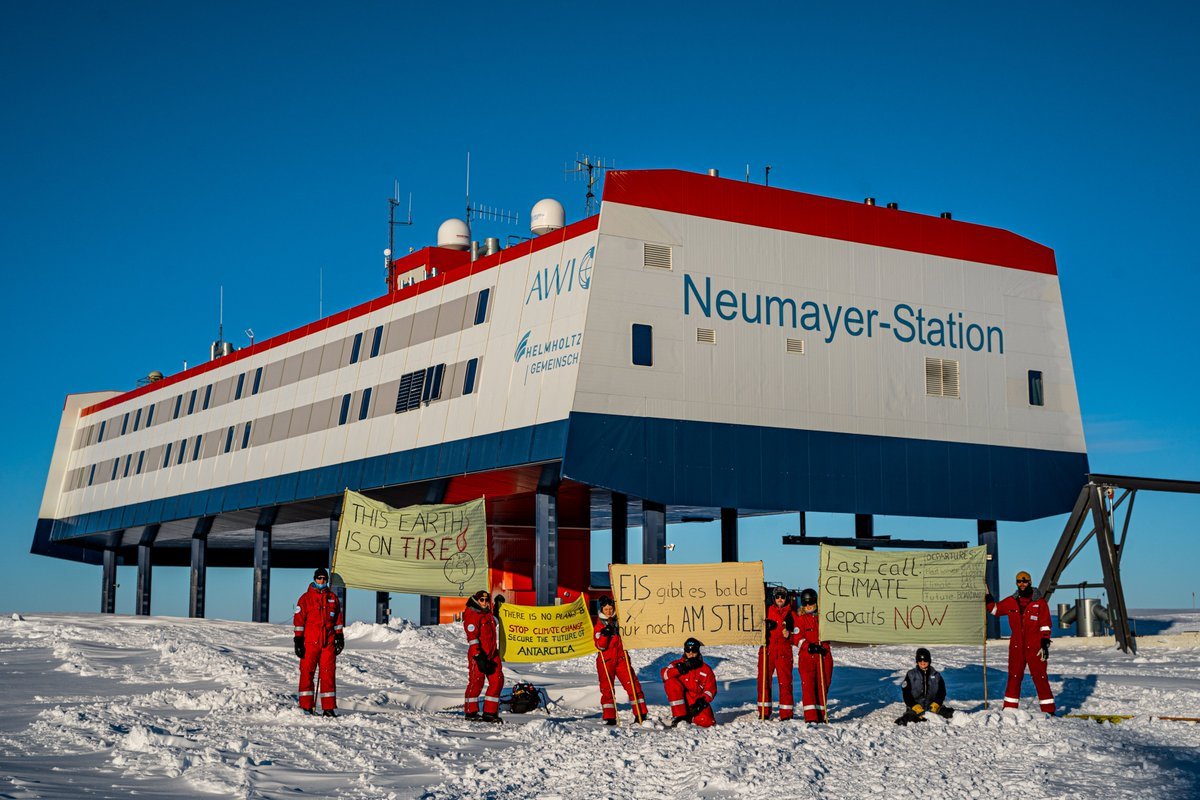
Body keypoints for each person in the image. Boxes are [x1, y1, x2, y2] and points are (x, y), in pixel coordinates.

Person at [987, 570, 1055, 715]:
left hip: (1035, 647)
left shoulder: (1040, 603)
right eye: (1019, 581)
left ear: (1030, 582)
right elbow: (995, 610)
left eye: (1024, 581)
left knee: (1040, 677)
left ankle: (1048, 711)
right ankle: (1009, 710)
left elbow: (1045, 624)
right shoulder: (1011, 601)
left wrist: (1044, 641)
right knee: (1014, 676)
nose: (1022, 584)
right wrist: (987, 598)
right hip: (1017, 646)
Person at [293, 567, 344, 717]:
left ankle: (328, 708)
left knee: (328, 673)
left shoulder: (333, 598)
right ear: (315, 579)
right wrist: (298, 640)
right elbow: (299, 621)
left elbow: (338, 621)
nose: (321, 581)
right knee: (307, 672)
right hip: (310, 643)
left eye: (324, 578)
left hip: (328, 642)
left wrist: (339, 637)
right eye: (319, 578)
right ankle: (306, 706)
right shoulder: (305, 598)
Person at [593, 595, 648, 725]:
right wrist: (605, 635)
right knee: (607, 689)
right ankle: (610, 717)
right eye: (606, 609)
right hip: (606, 661)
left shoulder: (621, 621)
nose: (609, 611)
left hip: (621, 658)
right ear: (602, 610)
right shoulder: (599, 626)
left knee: (633, 685)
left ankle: (641, 713)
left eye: (610, 608)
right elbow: (600, 646)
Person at [463, 589, 504, 723]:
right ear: (476, 600)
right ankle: (471, 712)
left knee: (497, 681)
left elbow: (494, 622)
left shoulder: (487, 614)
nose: (485, 602)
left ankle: (490, 712)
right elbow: (472, 638)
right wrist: (478, 656)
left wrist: (498, 607)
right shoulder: (472, 615)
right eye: (482, 600)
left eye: (487, 600)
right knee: (476, 683)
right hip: (479, 655)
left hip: (492, 654)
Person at [757, 586, 796, 720]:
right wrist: (764, 628)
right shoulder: (766, 611)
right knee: (764, 681)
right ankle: (764, 711)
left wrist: (789, 635)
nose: (780, 599)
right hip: (767, 650)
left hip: (784, 652)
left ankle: (786, 713)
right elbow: (755, 626)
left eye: (782, 597)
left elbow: (797, 634)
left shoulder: (792, 613)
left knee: (785, 683)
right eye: (778, 596)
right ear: (774, 598)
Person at [661, 637, 718, 727]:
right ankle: (679, 716)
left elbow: (711, 689)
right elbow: (664, 675)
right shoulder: (676, 664)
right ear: (684, 651)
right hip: (681, 698)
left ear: (698, 651)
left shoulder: (706, 669)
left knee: (708, 722)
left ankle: (689, 717)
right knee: (671, 682)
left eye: (694, 650)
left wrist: (702, 702)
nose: (690, 653)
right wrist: (679, 669)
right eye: (688, 650)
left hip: (695, 700)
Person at [795, 587, 833, 723]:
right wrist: (808, 646)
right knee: (809, 686)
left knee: (823, 684)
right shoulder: (800, 619)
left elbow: (832, 632)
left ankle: (822, 714)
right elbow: (797, 637)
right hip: (807, 657)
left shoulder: (823, 618)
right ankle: (811, 717)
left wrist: (824, 647)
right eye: (805, 604)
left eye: (810, 603)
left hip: (823, 656)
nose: (808, 606)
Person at [896, 647, 954, 725]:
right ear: (917, 661)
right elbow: (906, 693)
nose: (922, 662)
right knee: (909, 719)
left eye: (925, 660)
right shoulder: (911, 674)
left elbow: (942, 692)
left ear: (929, 661)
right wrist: (914, 706)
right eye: (920, 660)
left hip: (933, 707)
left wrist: (936, 703)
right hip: (916, 707)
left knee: (950, 714)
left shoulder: (936, 675)